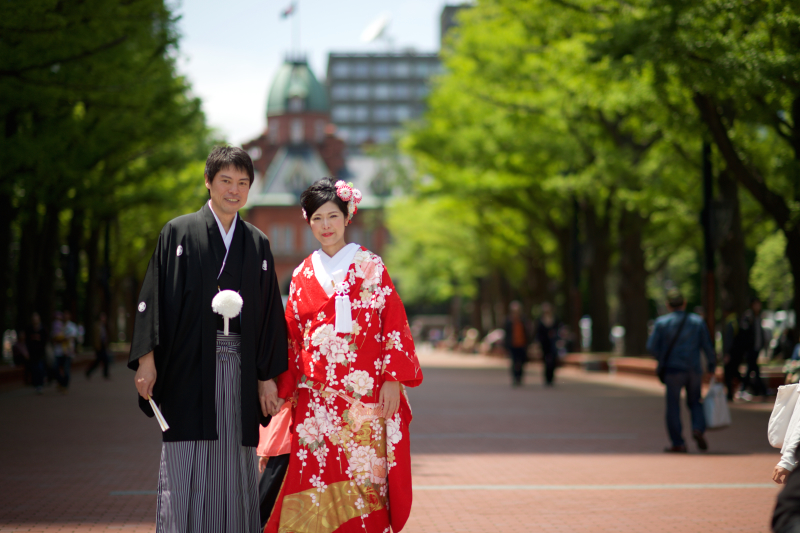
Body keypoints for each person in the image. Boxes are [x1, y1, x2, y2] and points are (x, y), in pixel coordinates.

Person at [128, 146, 288, 533]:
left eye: (243, 183)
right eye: (226, 181)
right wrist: (147, 358)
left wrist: (266, 376)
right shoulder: (178, 232)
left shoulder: (257, 243)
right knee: (186, 455)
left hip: (240, 367)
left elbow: (269, 315)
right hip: (186, 366)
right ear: (208, 182)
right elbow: (154, 297)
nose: (234, 190)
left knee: (236, 456)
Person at [266, 178, 423, 533]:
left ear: (347, 216)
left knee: (363, 479)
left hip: (362, 400)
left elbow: (393, 324)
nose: (325, 226)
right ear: (308, 222)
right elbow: (292, 338)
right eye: (317, 218)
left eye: (332, 216)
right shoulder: (302, 273)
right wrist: (282, 388)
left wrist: (392, 380)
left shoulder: (371, 266)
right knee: (313, 477)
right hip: (315, 402)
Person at [646, 289, 717, 453]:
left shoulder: (661, 323)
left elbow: (651, 347)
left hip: (672, 370)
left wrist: (662, 358)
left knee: (673, 406)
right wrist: (712, 367)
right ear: (684, 303)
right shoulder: (697, 321)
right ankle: (698, 428)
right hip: (693, 369)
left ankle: (678, 442)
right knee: (695, 402)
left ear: (668, 305)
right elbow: (707, 346)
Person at [739, 297, 767, 398]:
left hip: (757, 347)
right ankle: (762, 390)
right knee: (754, 368)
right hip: (750, 348)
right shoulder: (748, 317)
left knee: (752, 368)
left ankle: (747, 389)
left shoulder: (758, 317)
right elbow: (744, 333)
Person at [504, 301, 530, 387]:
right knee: (514, 362)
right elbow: (506, 333)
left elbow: (527, 332)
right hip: (512, 344)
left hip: (522, 344)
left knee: (521, 361)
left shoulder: (523, 320)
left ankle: (520, 377)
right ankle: (515, 378)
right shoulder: (508, 320)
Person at [535, 302, 561, 387]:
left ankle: (551, 378)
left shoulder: (555, 319)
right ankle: (546, 378)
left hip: (553, 343)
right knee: (546, 361)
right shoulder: (540, 320)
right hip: (544, 344)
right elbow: (538, 333)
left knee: (553, 360)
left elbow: (558, 330)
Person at [25, 312, 48, 394]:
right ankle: (36, 385)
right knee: (34, 369)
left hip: (40, 352)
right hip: (32, 353)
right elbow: (27, 340)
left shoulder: (43, 329)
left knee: (40, 368)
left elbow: (45, 340)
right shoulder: (29, 329)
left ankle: (40, 384)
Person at [86, 312, 110, 380]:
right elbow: (96, 337)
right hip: (99, 346)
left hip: (103, 345)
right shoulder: (97, 325)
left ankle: (105, 374)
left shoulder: (103, 325)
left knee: (105, 360)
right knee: (99, 361)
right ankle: (88, 371)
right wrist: (97, 346)